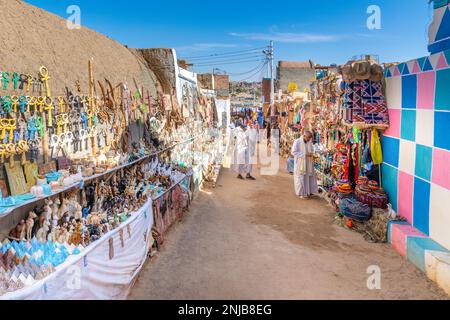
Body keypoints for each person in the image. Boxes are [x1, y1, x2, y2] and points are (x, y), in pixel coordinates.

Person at [291, 131, 318, 199]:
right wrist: (305, 154)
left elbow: (311, 150)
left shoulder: (309, 142)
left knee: (308, 177)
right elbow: (293, 152)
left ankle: (308, 192)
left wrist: (312, 154)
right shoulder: (297, 142)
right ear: (304, 136)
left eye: (310, 138)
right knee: (301, 178)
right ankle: (301, 193)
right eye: (308, 138)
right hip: (300, 163)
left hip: (308, 163)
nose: (309, 139)